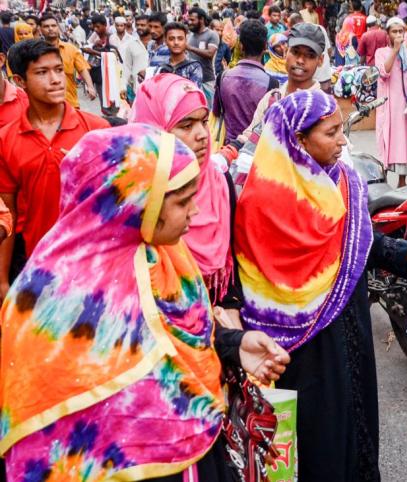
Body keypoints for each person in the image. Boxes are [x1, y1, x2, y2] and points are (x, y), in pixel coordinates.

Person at [0, 123, 290, 480]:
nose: (195, 213)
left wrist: (234, 345)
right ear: (135, 202)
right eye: (183, 202)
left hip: (190, 454)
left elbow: (175, 338)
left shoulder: (163, 258)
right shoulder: (52, 297)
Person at [234, 88, 407, 481]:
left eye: (341, 130)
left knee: (356, 417)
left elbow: (358, 241)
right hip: (301, 351)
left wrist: (403, 253)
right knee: (318, 437)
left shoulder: (343, 181)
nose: (343, 140)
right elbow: (253, 284)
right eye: (331, 133)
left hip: (350, 330)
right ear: (298, 140)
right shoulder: (260, 202)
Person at [0, 39, 110, 299]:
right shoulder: (5, 140)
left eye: (59, 70)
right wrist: (3, 279)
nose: (56, 79)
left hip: (93, 261)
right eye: (42, 72)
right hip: (37, 262)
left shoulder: (97, 130)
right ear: (19, 81)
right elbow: (8, 213)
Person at [130, 73, 240, 312]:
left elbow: (232, 265)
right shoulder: (135, 194)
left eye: (203, 121)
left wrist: (231, 315)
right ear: (155, 129)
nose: (202, 134)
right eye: (186, 125)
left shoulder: (219, 181)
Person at [239, 21, 324, 143]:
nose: (300, 60)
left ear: (320, 60)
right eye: (295, 52)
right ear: (286, 52)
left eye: (310, 55)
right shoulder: (271, 98)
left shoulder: (325, 106)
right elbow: (251, 135)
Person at [213, 19, 276, 143]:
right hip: (255, 150)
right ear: (265, 47)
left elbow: (216, 111)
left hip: (228, 148)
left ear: (240, 46)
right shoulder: (272, 83)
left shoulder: (223, 77)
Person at [375, 17, 407, 187]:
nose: (398, 34)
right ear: (388, 35)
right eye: (394, 31)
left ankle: (403, 181)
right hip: (389, 107)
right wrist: (395, 50)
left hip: (406, 109)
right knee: (387, 141)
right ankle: (384, 180)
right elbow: (384, 72)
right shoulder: (381, 52)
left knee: (405, 143)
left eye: (401, 31)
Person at [38, 14, 97, 108]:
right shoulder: (36, 51)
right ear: (40, 29)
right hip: (46, 103)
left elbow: (83, 69)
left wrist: (90, 86)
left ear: (58, 27)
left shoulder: (70, 49)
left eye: (53, 26)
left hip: (70, 101)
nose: (50, 29)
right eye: (46, 26)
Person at [108, 15, 148, 101]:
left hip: (147, 84)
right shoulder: (114, 38)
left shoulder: (133, 39)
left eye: (143, 25)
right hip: (121, 71)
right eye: (138, 25)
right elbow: (127, 66)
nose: (139, 27)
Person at [187, 7, 219, 103]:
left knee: (209, 112)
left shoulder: (212, 35)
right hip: (191, 81)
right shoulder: (190, 36)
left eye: (192, 20)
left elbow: (210, 54)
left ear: (201, 20)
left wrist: (190, 48)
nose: (189, 22)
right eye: (189, 19)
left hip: (207, 80)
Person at [157, 22, 203, 88]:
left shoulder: (194, 67)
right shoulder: (160, 66)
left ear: (185, 40)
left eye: (180, 39)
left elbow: (193, 93)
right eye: (171, 39)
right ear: (166, 41)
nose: (176, 42)